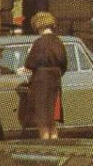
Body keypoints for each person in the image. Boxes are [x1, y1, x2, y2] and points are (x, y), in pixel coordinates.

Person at [19, 12, 67, 140]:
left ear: (38, 26)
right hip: (55, 82)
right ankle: (55, 147)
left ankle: (46, 148)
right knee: (52, 120)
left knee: (42, 121)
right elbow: (64, 64)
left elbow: (30, 64)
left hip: (40, 84)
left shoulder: (39, 43)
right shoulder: (59, 42)